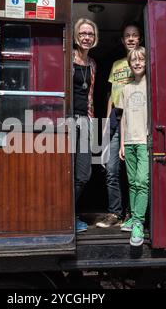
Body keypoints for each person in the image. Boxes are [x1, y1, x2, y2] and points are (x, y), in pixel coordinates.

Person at [96, 23, 142, 228]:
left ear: (139, 39)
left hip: (133, 120)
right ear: (123, 41)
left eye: (135, 36)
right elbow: (111, 95)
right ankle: (115, 213)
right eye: (127, 36)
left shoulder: (142, 62)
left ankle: (133, 213)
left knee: (132, 172)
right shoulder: (117, 64)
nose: (131, 39)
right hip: (115, 118)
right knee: (112, 169)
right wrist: (107, 123)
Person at [117, 46, 149, 246]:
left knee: (141, 181)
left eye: (141, 60)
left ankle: (138, 222)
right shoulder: (126, 88)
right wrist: (121, 143)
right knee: (132, 183)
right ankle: (133, 216)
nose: (137, 63)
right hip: (128, 142)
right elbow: (123, 119)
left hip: (144, 141)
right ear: (129, 64)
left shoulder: (150, 85)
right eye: (134, 60)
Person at [72, 18, 98, 232]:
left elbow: (90, 97)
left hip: (84, 121)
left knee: (83, 174)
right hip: (66, 120)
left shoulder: (92, 64)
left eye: (90, 34)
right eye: (83, 34)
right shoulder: (66, 57)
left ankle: (69, 212)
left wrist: (90, 122)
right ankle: (66, 216)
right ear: (76, 36)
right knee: (64, 171)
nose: (86, 37)